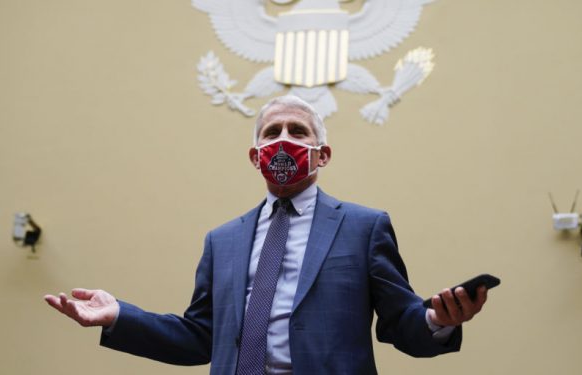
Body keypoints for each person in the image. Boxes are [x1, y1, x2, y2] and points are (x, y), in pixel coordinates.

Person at [44, 95, 489, 375]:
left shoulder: (363, 227)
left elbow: (399, 323)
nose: (283, 140)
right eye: (271, 133)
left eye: (298, 131)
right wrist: (120, 315)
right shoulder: (222, 241)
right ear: (256, 156)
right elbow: (201, 337)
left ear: (323, 154)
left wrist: (438, 322)